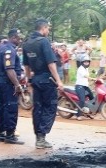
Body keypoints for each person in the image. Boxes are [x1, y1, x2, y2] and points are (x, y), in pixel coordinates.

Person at [22, 18, 64, 149]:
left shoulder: (27, 43)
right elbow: (51, 64)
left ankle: (38, 137)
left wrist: (29, 81)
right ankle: (41, 137)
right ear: (43, 28)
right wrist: (59, 81)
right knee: (50, 107)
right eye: (48, 29)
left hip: (35, 80)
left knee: (38, 108)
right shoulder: (44, 42)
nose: (48, 31)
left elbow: (26, 66)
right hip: (47, 80)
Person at [0, 29, 24, 144]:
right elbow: (9, 69)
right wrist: (17, 84)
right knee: (11, 108)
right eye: (19, 38)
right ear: (14, 37)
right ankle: (10, 135)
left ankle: (0, 133)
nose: (20, 40)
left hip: (1, 82)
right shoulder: (9, 50)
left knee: (3, 107)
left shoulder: (0, 48)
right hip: (8, 83)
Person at [75, 55, 95, 121]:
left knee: (92, 98)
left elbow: (87, 79)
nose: (87, 63)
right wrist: (91, 78)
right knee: (82, 100)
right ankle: (78, 115)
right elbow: (86, 76)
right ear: (82, 62)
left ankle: (87, 112)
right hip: (79, 86)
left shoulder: (86, 69)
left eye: (88, 62)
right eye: (85, 62)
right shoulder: (80, 69)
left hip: (85, 86)